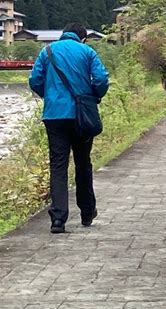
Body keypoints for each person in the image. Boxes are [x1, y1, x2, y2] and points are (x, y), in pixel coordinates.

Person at [29, 23, 109, 234]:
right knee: (83, 163)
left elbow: (34, 80)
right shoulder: (88, 51)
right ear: (82, 38)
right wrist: (94, 96)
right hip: (81, 116)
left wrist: (50, 96)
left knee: (58, 165)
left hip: (54, 116)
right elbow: (101, 79)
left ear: (63, 34)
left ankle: (58, 219)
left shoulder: (46, 51)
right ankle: (87, 212)